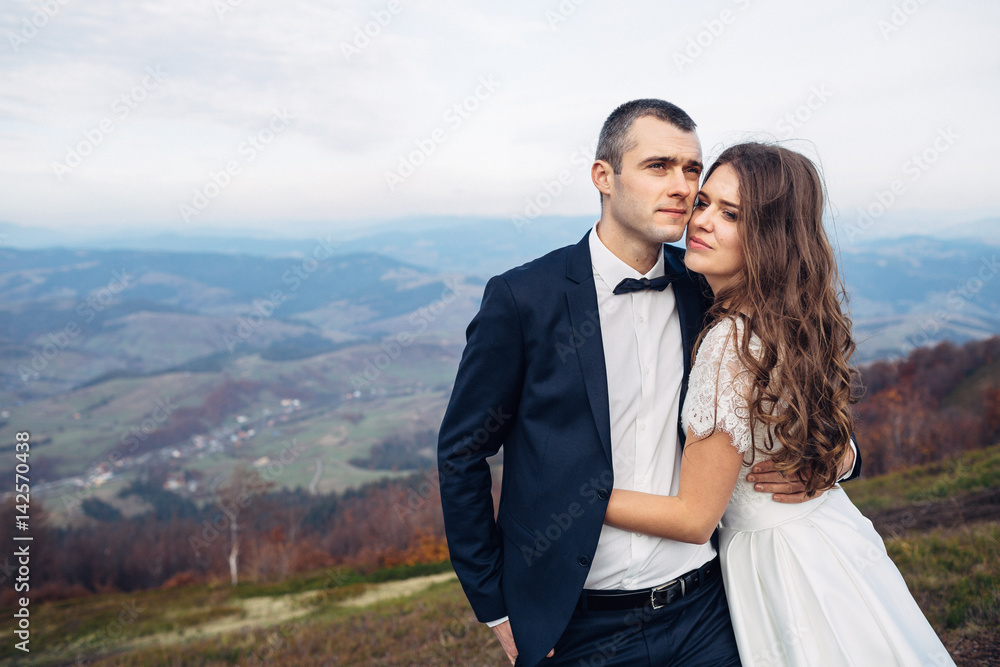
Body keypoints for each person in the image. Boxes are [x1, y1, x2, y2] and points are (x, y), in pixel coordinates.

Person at [437, 100, 858, 667]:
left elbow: (800, 371)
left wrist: (839, 458)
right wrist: (497, 607)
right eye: (659, 166)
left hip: (707, 608)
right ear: (603, 177)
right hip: (576, 621)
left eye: (692, 169)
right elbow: (463, 453)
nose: (683, 186)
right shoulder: (522, 299)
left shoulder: (710, 287)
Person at [603, 142, 955, 666]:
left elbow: (695, 517)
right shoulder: (785, 316)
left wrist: (572, 500)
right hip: (832, 538)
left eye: (732, 215)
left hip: (784, 564)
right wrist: (834, 460)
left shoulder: (729, 342)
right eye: (704, 203)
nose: (702, 222)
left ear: (770, 238)